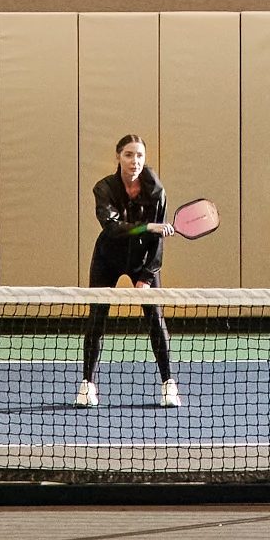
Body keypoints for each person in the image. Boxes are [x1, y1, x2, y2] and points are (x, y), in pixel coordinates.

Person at [79, 133, 178, 408]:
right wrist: (145, 226)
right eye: (129, 155)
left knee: (156, 320)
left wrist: (147, 275)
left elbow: (158, 241)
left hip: (143, 258)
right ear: (118, 157)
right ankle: (87, 384)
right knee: (96, 320)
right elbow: (111, 228)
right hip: (107, 258)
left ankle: (169, 384)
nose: (135, 161)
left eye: (140, 156)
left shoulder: (156, 191)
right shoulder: (104, 188)